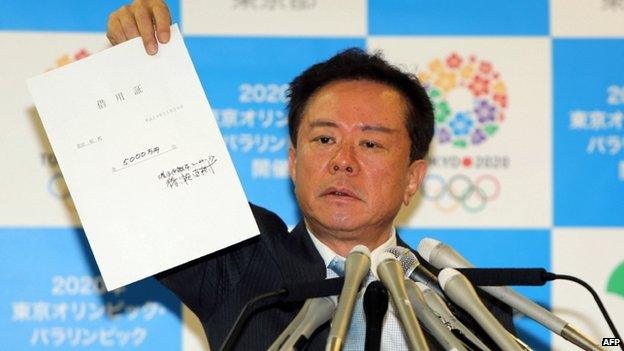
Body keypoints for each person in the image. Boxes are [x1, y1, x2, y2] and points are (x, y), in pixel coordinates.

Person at [106, 1, 516, 349]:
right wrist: (137, 68)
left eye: (371, 144)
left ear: (413, 178)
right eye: (323, 140)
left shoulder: (468, 305)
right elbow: (144, 185)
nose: (343, 161)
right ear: (292, 161)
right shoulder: (243, 259)